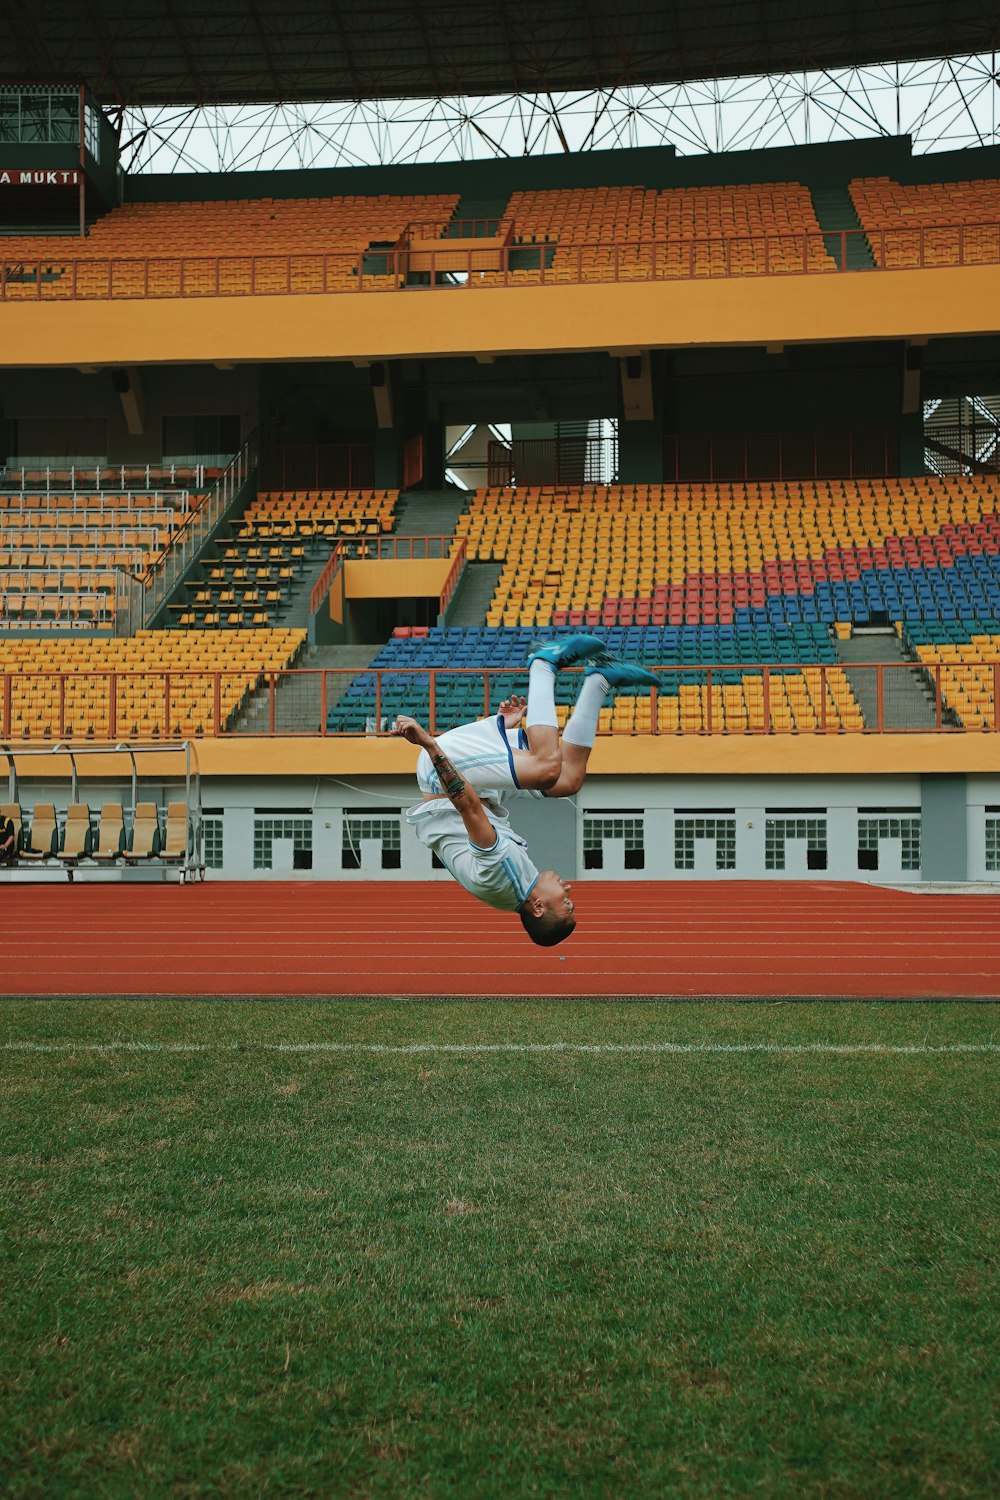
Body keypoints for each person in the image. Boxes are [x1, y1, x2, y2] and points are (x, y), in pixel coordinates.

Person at [393, 635, 659, 946]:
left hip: (444, 775)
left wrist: (429, 744)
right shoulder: (517, 890)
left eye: (566, 902)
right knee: (568, 780)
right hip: (477, 787)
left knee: (545, 768)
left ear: (537, 907)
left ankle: (543, 663)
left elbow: (467, 806)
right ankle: (599, 679)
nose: (568, 891)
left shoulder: (502, 875)